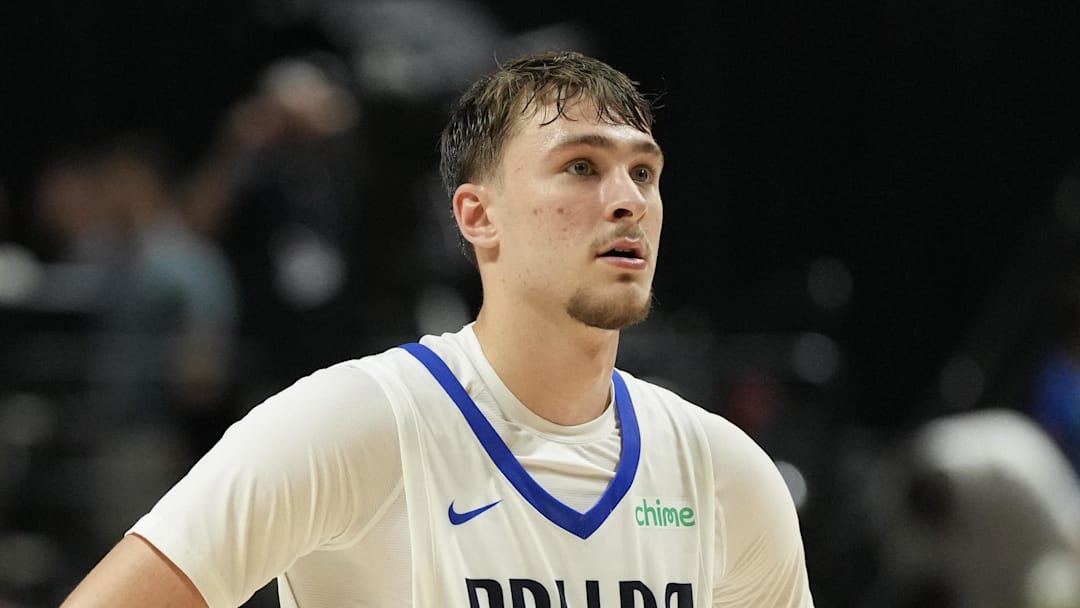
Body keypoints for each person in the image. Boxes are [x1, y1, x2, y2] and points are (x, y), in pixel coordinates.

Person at [61, 50, 814, 607]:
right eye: (581, 167)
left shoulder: (726, 473)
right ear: (478, 216)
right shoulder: (352, 422)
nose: (627, 200)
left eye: (643, 172)